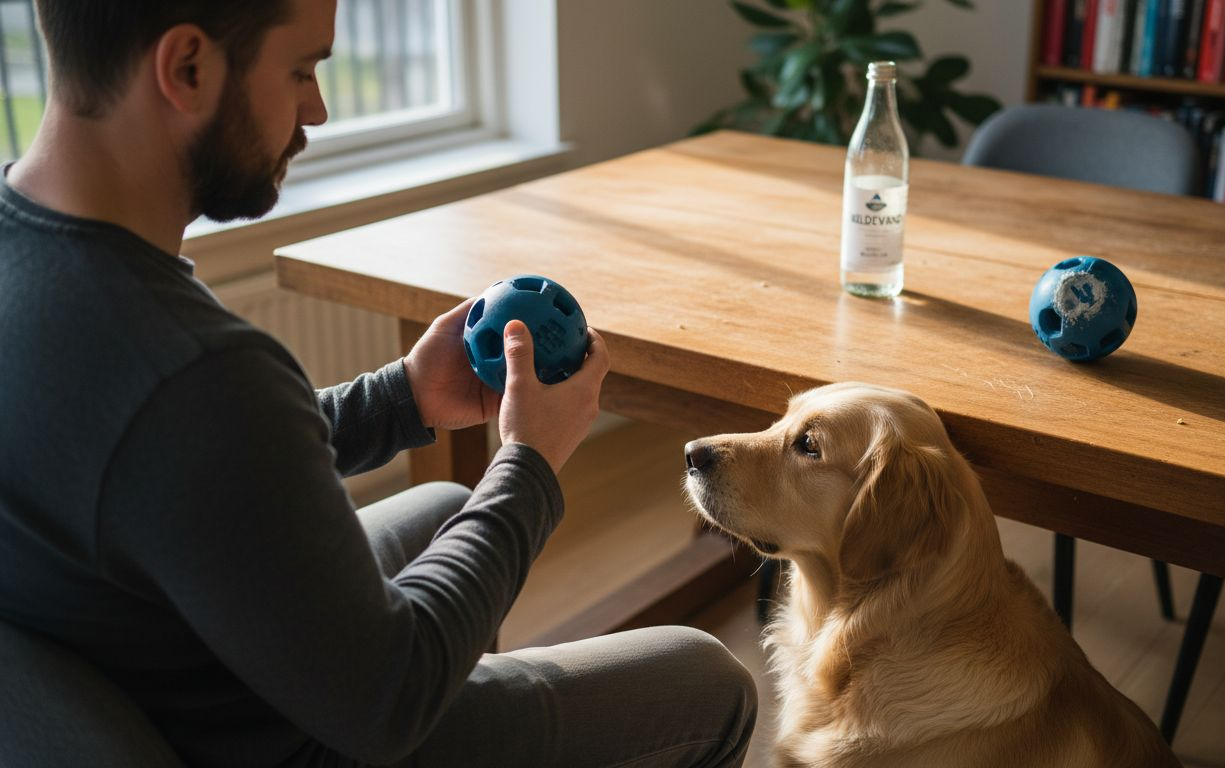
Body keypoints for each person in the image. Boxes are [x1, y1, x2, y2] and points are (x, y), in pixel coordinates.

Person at [0, 1, 757, 766]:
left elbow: (193, 465)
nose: (317, 109)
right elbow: (393, 697)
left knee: (448, 509)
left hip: (158, 666)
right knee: (711, 683)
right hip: (300, 731)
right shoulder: (192, 371)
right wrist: (531, 464)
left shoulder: (33, 253)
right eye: (301, 70)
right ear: (188, 67)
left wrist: (403, 397)